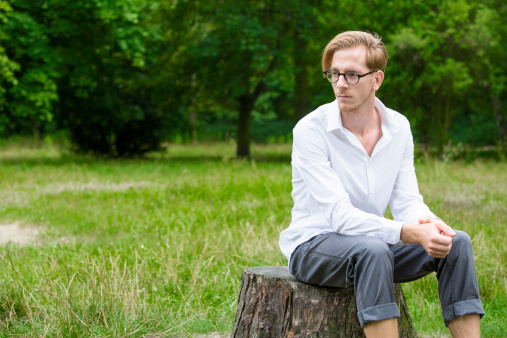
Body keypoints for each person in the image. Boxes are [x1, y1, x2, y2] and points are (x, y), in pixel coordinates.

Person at [279, 31, 485, 338]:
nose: (340, 84)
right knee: (373, 250)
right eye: (333, 74)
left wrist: (431, 225)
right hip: (314, 246)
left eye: (351, 75)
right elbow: (340, 216)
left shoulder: (398, 126)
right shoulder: (311, 130)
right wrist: (408, 232)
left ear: (377, 79)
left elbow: (406, 200)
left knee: (457, 243)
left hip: (374, 243)